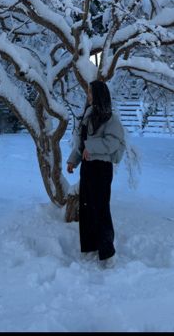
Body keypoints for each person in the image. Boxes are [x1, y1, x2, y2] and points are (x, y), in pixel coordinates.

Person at [66, 80, 126, 265]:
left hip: (101, 167)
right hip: (87, 167)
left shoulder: (110, 118)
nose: (88, 96)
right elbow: (81, 144)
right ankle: (90, 246)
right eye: (88, 93)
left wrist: (91, 148)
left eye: (91, 93)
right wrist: (72, 160)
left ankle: (108, 252)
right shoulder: (87, 115)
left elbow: (113, 142)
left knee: (100, 208)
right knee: (86, 208)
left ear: (100, 95)